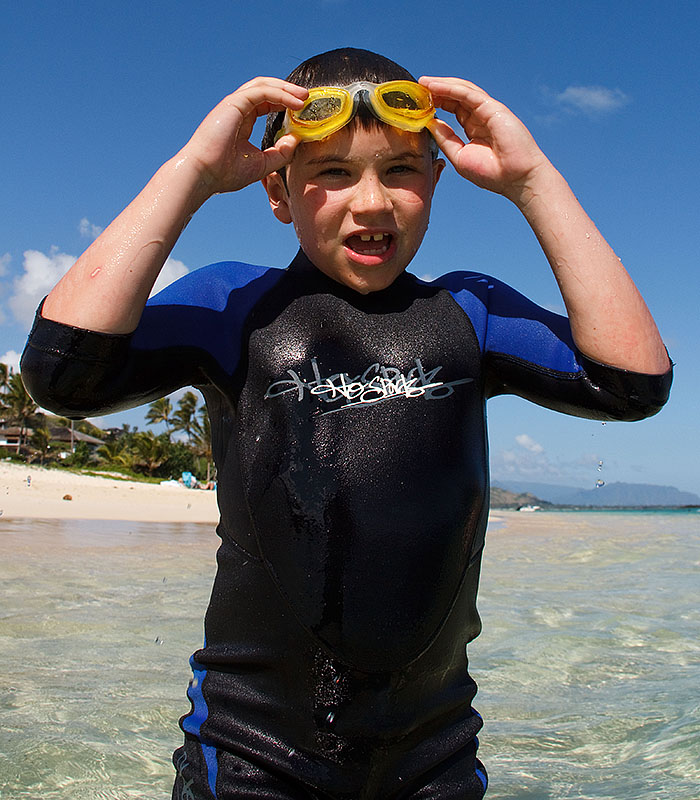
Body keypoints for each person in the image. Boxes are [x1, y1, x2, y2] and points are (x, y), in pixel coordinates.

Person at [21, 47, 671, 799]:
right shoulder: (236, 307)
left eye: (400, 169)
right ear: (277, 190)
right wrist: (191, 176)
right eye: (332, 174)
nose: (373, 202)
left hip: (435, 756)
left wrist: (534, 184)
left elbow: (632, 382)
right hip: (249, 754)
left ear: (436, 179)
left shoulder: (470, 314)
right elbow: (64, 371)